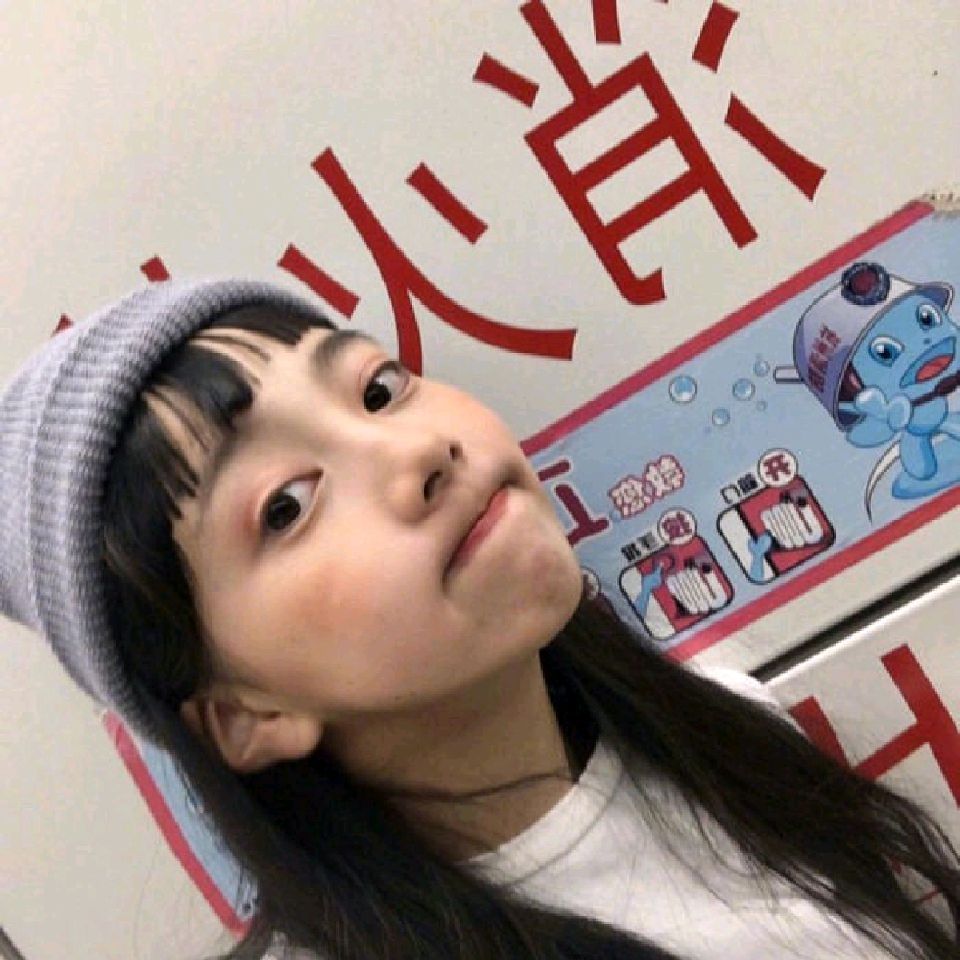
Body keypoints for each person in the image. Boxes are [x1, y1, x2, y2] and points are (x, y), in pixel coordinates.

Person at [1, 279, 958, 960]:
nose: (417, 451)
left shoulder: (714, 722)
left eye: (377, 390)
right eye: (286, 505)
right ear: (245, 714)